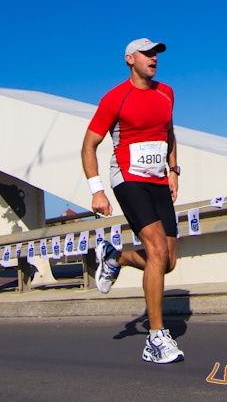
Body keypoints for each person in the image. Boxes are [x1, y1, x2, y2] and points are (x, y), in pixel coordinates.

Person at [81, 37, 184, 364]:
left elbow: (169, 133)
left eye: (157, 53)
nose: (154, 58)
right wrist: (97, 189)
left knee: (167, 261)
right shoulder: (115, 98)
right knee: (155, 249)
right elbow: (88, 145)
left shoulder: (166, 93)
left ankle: (115, 257)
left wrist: (174, 170)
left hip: (157, 181)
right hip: (127, 178)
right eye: (147, 53)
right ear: (130, 59)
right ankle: (155, 338)